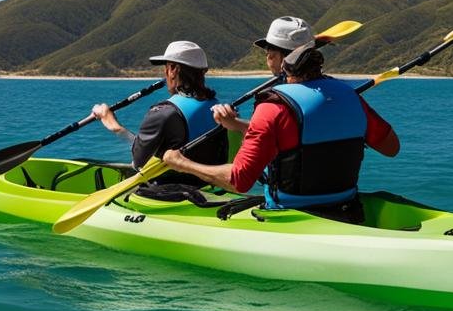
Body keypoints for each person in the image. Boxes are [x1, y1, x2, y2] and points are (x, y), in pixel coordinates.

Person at [161, 41, 399, 210]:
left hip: (291, 212)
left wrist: (181, 163)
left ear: (285, 66)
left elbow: (239, 181)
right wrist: (235, 125)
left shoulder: (273, 106)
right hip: (346, 205)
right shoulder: (352, 97)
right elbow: (391, 148)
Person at [91, 41, 228, 186]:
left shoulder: (163, 112)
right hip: (211, 189)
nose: (165, 73)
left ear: (173, 69)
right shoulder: (222, 109)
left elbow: (138, 162)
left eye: (166, 67)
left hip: (169, 195)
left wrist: (114, 126)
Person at [211, 16, 314, 134]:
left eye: (268, 54)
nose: (268, 58)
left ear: (272, 56)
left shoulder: (273, 100)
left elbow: (263, 136)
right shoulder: (333, 90)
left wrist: (233, 124)